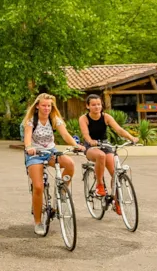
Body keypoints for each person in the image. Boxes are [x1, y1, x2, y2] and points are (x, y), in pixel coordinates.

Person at [23, 93, 84, 235]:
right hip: (35, 154)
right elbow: (27, 137)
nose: (46, 108)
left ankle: (62, 192)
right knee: (38, 187)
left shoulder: (54, 119)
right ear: (37, 106)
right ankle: (38, 222)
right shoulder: (31, 121)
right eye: (43, 105)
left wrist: (76, 145)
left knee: (69, 164)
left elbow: (65, 135)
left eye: (49, 106)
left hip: (51, 152)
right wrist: (29, 147)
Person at [78, 94, 138, 214]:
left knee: (115, 173)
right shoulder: (84, 118)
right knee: (100, 156)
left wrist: (131, 138)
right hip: (91, 146)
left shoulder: (106, 117)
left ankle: (117, 201)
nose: (97, 107)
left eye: (99, 104)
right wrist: (90, 141)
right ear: (88, 106)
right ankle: (99, 185)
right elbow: (85, 134)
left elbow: (119, 129)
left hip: (105, 145)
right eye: (93, 105)